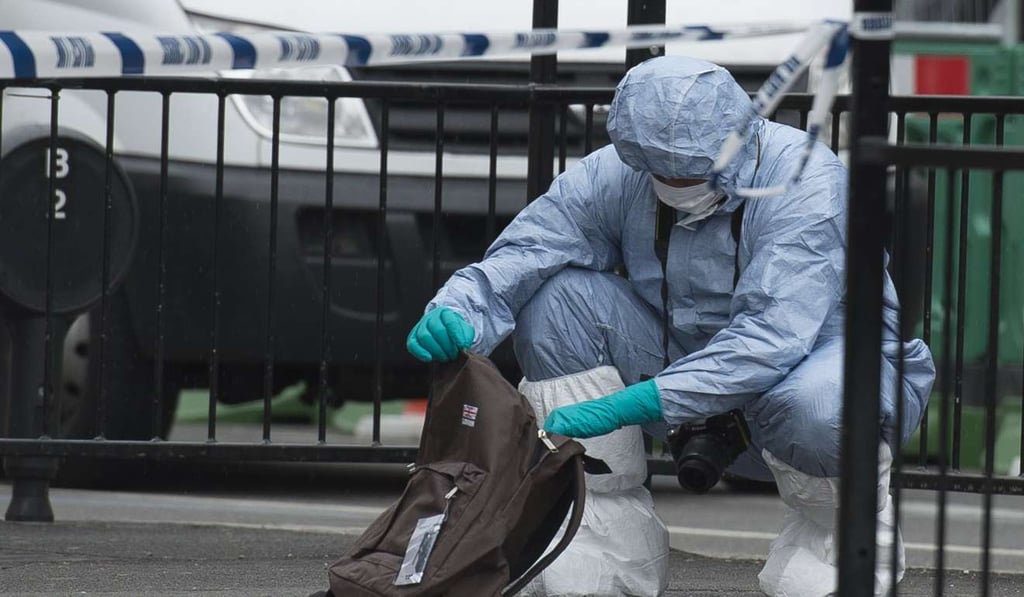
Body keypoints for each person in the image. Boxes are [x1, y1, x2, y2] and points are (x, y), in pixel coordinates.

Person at [406, 55, 935, 597]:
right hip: (680, 365)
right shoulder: (620, 172)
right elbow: (532, 246)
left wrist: (635, 402)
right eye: (665, 171)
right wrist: (462, 306)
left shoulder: (808, 183)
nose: (679, 181)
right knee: (557, 301)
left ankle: (838, 551)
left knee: (825, 403)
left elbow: (770, 337)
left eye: (695, 169)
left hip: (806, 373)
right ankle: (598, 542)